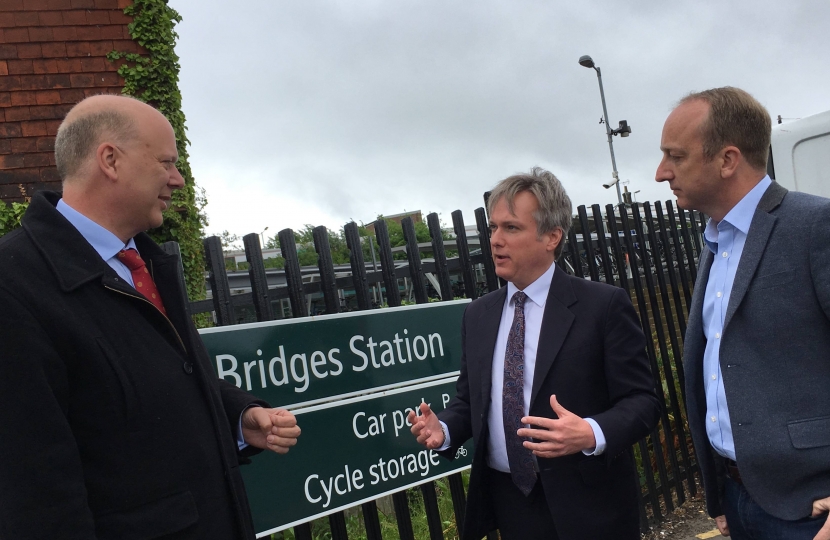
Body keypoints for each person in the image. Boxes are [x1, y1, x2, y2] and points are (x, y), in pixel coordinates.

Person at [0, 95, 301, 539]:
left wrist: (237, 416)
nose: (178, 180)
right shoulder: (15, 283)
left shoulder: (144, 261)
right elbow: (34, 488)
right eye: (166, 162)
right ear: (110, 160)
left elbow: (153, 380)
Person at [408, 168, 660, 540]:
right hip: (512, 503)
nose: (495, 240)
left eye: (511, 228)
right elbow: (470, 400)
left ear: (551, 237)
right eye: (493, 228)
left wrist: (590, 433)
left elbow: (644, 401)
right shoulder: (478, 314)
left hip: (591, 508)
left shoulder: (602, 306)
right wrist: (442, 429)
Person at [656, 86, 830, 540]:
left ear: (727, 160)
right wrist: (721, 494)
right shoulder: (715, 242)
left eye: (676, 156)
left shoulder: (814, 227)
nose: (661, 173)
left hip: (810, 511)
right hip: (739, 499)